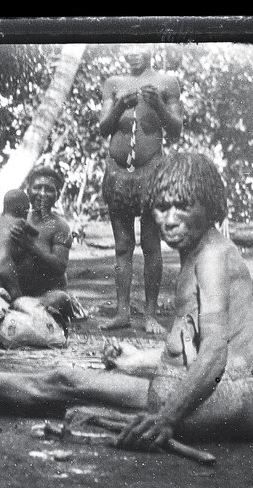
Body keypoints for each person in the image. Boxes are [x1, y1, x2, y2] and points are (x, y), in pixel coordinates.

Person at [0, 152, 253, 451]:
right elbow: (195, 343)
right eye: (161, 208)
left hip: (231, 401)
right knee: (71, 388)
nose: (169, 219)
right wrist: (139, 361)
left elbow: (215, 352)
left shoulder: (211, 256)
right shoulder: (203, 249)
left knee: (66, 381)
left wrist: (168, 419)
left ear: (209, 205)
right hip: (229, 399)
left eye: (183, 207)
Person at [98, 44, 184, 334]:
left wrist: (158, 104)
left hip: (151, 172)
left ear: (150, 48)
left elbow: (175, 129)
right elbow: (103, 127)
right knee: (122, 246)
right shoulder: (113, 84)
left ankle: (150, 314)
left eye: (138, 47)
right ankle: (122, 312)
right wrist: (120, 106)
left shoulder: (166, 83)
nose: (132, 53)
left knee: (150, 245)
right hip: (117, 173)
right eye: (127, 48)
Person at [0, 167, 73, 301]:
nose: (42, 194)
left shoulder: (61, 227)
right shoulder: (13, 217)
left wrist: (29, 246)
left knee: (60, 298)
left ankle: (25, 305)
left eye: (49, 189)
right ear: (28, 191)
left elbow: (59, 267)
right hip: (15, 289)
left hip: (46, 293)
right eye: (37, 187)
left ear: (58, 194)